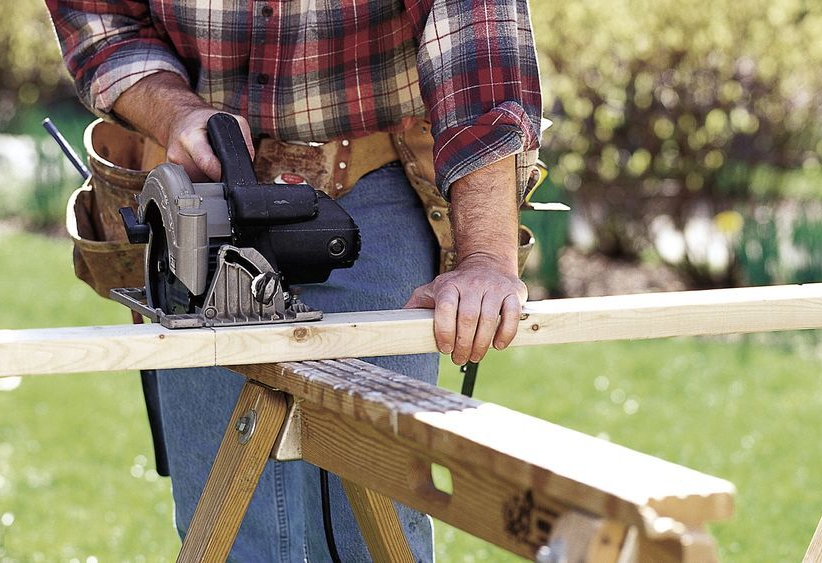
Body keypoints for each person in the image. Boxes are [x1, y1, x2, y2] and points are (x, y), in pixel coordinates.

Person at [47, 1, 541, 560]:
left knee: (375, 526)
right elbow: (100, 18)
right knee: (228, 535)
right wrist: (176, 112)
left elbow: (476, 43)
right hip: (197, 196)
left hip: (371, 191)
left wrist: (485, 258)